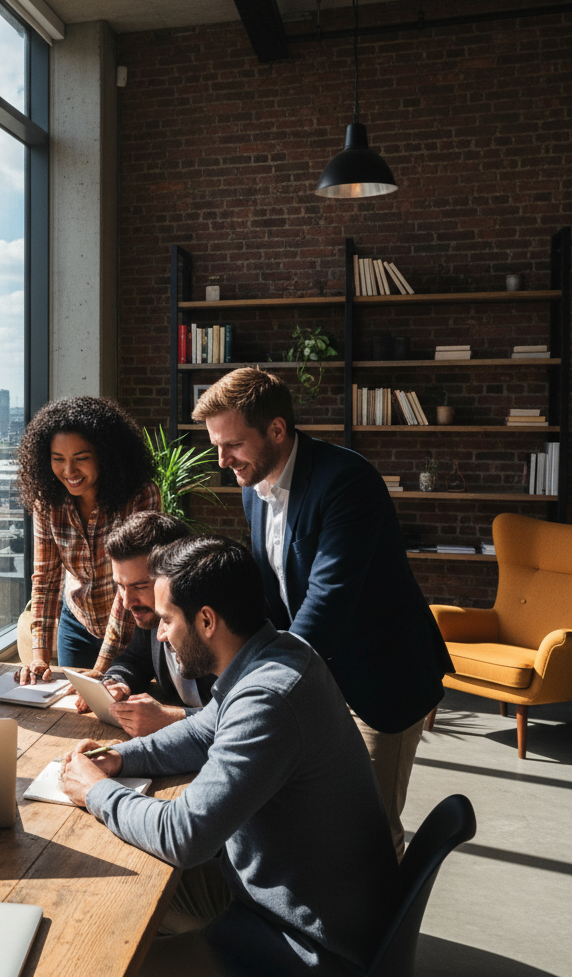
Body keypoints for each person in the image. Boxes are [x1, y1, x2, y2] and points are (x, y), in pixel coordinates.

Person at [60, 536, 400, 977]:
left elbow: (185, 834)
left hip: (301, 946)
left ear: (206, 621)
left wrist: (97, 791)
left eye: (166, 620)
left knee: (102, 944)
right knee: (118, 877)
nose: (159, 634)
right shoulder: (279, 654)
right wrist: (119, 758)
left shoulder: (268, 699)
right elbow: (203, 731)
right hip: (294, 903)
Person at [192, 367, 453, 858]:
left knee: (367, 830)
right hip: (312, 674)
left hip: (378, 682)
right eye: (216, 445)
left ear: (276, 430)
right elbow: (271, 594)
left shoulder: (346, 480)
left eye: (232, 445)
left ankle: (383, 935)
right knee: (314, 816)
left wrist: (260, 686)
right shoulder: (254, 485)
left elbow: (326, 600)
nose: (222, 460)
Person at [15, 395, 161, 681]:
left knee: (116, 709)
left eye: (81, 459)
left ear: (106, 456)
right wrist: (39, 658)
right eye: (58, 460)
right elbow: (45, 579)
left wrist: (102, 667)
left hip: (130, 623)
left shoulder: (140, 496)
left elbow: (130, 585)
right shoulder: (47, 503)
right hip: (77, 624)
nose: (69, 472)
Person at [74, 510, 215, 736]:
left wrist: (172, 718)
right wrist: (119, 683)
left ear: (176, 572)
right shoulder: (149, 613)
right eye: (120, 586)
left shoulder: (218, 622)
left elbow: (246, 714)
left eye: (140, 586)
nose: (127, 602)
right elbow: (135, 659)